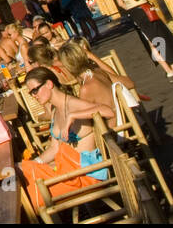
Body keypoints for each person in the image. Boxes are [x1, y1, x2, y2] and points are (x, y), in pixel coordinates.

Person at [18, 68, 112, 211]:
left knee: (27, 197)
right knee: (18, 170)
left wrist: (73, 116)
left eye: (35, 90)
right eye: (31, 93)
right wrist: (35, 163)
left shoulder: (72, 104)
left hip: (83, 176)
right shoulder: (56, 110)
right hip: (67, 172)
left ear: (49, 84)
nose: (34, 96)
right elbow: (54, 148)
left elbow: (108, 111)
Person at [56, 42, 119, 127]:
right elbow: (117, 78)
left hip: (112, 130)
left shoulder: (86, 89)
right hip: (121, 118)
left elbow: (87, 120)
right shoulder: (98, 72)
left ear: (67, 66)